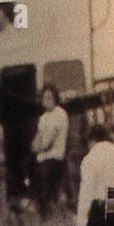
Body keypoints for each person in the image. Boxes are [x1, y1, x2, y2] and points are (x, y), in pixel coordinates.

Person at [31, 84, 69, 219]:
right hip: (43, 157)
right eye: (44, 98)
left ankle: (47, 213)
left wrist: (38, 148)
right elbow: (38, 136)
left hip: (55, 156)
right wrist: (35, 146)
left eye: (50, 97)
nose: (47, 100)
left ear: (55, 98)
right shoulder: (43, 117)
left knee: (45, 182)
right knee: (33, 177)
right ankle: (43, 212)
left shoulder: (60, 113)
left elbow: (49, 141)